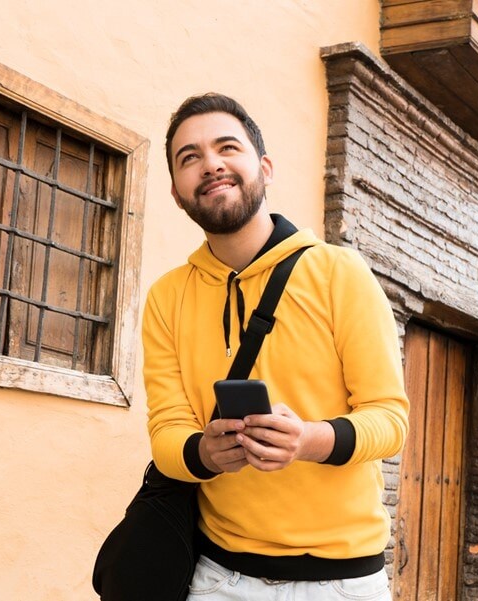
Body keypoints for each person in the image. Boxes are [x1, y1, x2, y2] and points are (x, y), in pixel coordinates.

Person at [143, 92, 409, 600]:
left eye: (227, 147)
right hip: (220, 578)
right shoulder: (166, 297)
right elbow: (166, 431)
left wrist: (307, 439)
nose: (211, 164)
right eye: (189, 157)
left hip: (343, 582)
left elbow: (390, 420)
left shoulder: (339, 273)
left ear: (263, 167)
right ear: (177, 193)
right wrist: (205, 452)